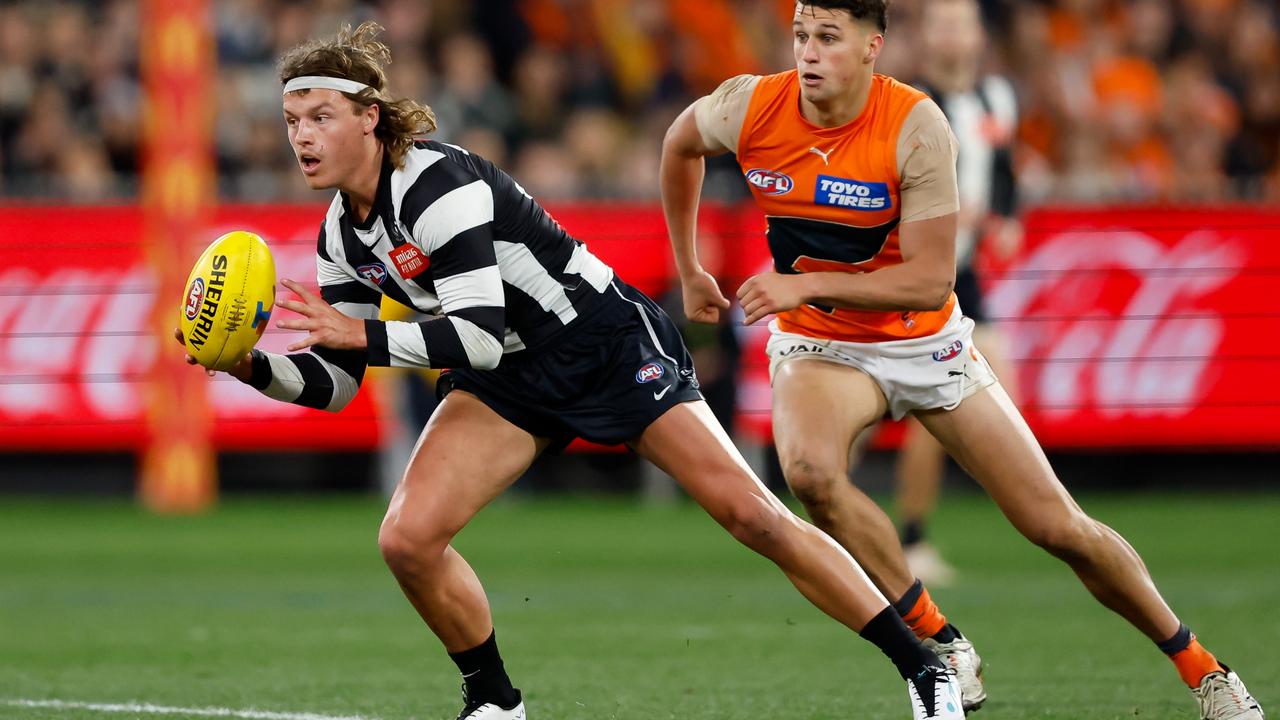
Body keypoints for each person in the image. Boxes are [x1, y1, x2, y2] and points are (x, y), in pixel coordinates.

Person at [178, 22, 963, 720]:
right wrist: (250, 366)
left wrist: (364, 336)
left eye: (320, 117)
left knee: (754, 518)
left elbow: (474, 336)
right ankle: (493, 699)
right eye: (291, 122)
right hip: (512, 378)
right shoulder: (339, 238)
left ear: (369, 119)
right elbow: (338, 384)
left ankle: (922, 668)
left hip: (602, 344)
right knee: (408, 539)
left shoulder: (437, 187)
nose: (302, 137)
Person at [659, 2, 1264, 719]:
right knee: (811, 476)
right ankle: (939, 639)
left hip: (925, 342)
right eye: (800, 37)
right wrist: (691, 267)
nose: (809, 54)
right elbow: (678, 144)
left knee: (1058, 528)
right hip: (821, 342)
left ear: (872, 46)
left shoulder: (915, 125)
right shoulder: (753, 104)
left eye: (828, 38)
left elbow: (929, 280)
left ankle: (1203, 668)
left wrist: (806, 279)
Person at [891, 0, 1024, 586]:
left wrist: (1006, 217)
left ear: (976, 36)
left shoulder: (997, 99)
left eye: (959, 23)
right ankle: (907, 538)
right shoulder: (908, 104)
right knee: (938, 404)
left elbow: (1004, 171)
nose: (950, 34)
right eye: (939, 23)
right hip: (915, 272)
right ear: (925, 37)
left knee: (990, 394)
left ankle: (909, 536)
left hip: (962, 276)